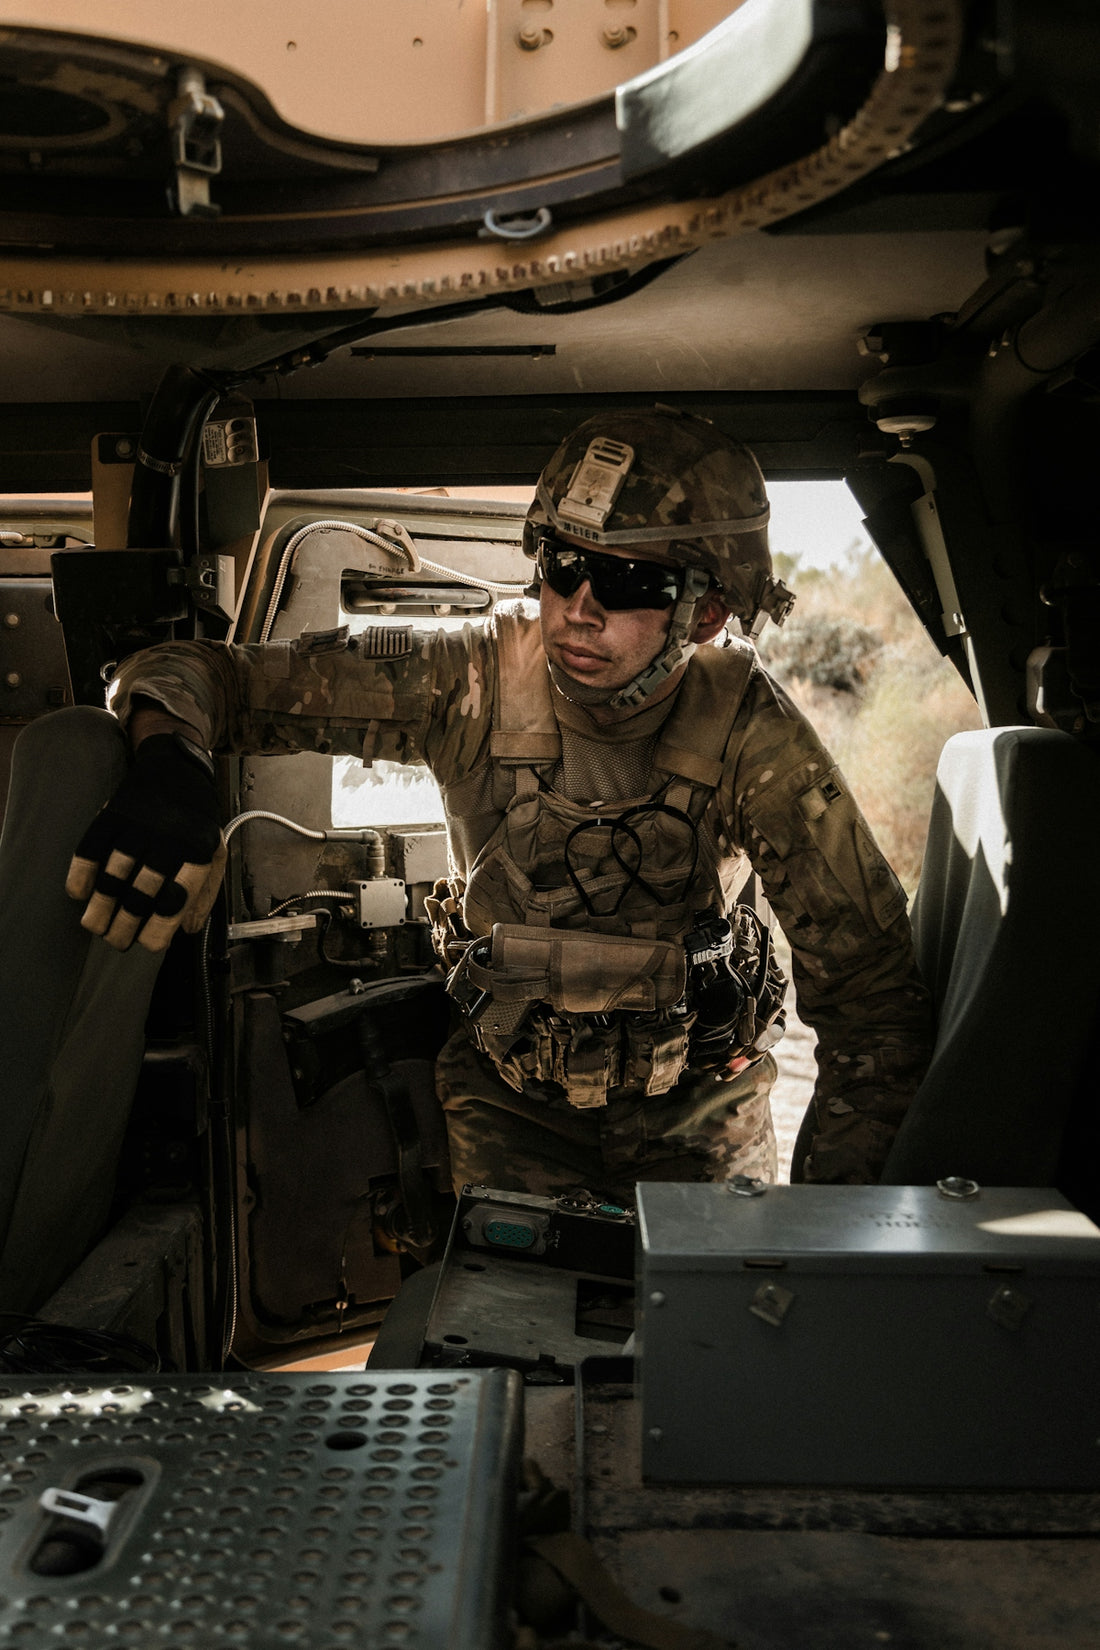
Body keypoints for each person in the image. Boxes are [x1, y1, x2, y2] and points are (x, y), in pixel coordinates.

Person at [0, 409, 932, 1306]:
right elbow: (202, 673)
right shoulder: (472, 680)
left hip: (696, 1109)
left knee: (718, 1348)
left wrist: (831, 1239)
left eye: (628, 583)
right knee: (507, 1347)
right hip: (511, 1099)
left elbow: (874, 1001)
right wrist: (171, 756)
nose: (578, 607)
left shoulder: (750, 734)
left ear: (707, 613)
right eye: (561, 566)